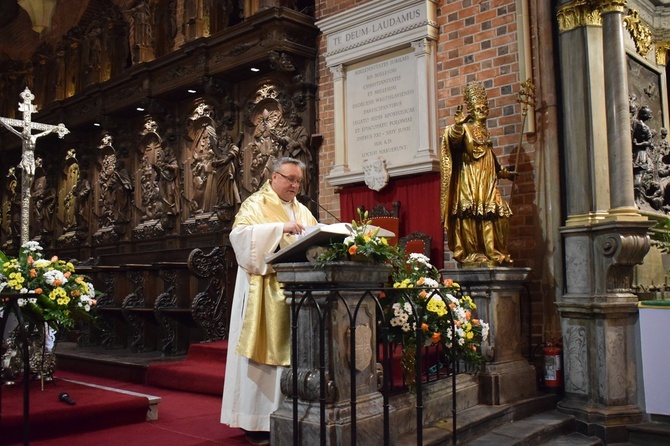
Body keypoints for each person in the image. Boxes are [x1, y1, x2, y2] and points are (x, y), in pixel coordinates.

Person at [220, 157, 316, 445]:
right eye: (289, 179)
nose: (295, 185)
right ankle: (257, 421)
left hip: (295, 294)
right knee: (262, 363)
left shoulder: (302, 209)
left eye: (298, 181)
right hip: (262, 292)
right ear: (274, 177)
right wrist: (279, 229)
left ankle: (290, 417)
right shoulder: (255, 204)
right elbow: (239, 238)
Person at [440, 81, 516, 267]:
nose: (483, 109)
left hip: (487, 180)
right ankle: (474, 254)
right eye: (478, 107)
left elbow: (489, 154)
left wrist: (503, 172)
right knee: (470, 215)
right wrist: (457, 126)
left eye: (485, 106)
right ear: (471, 110)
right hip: (470, 180)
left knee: (496, 214)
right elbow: (453, 141)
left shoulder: (484, 130)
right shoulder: (464, 128)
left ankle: (495, 253)